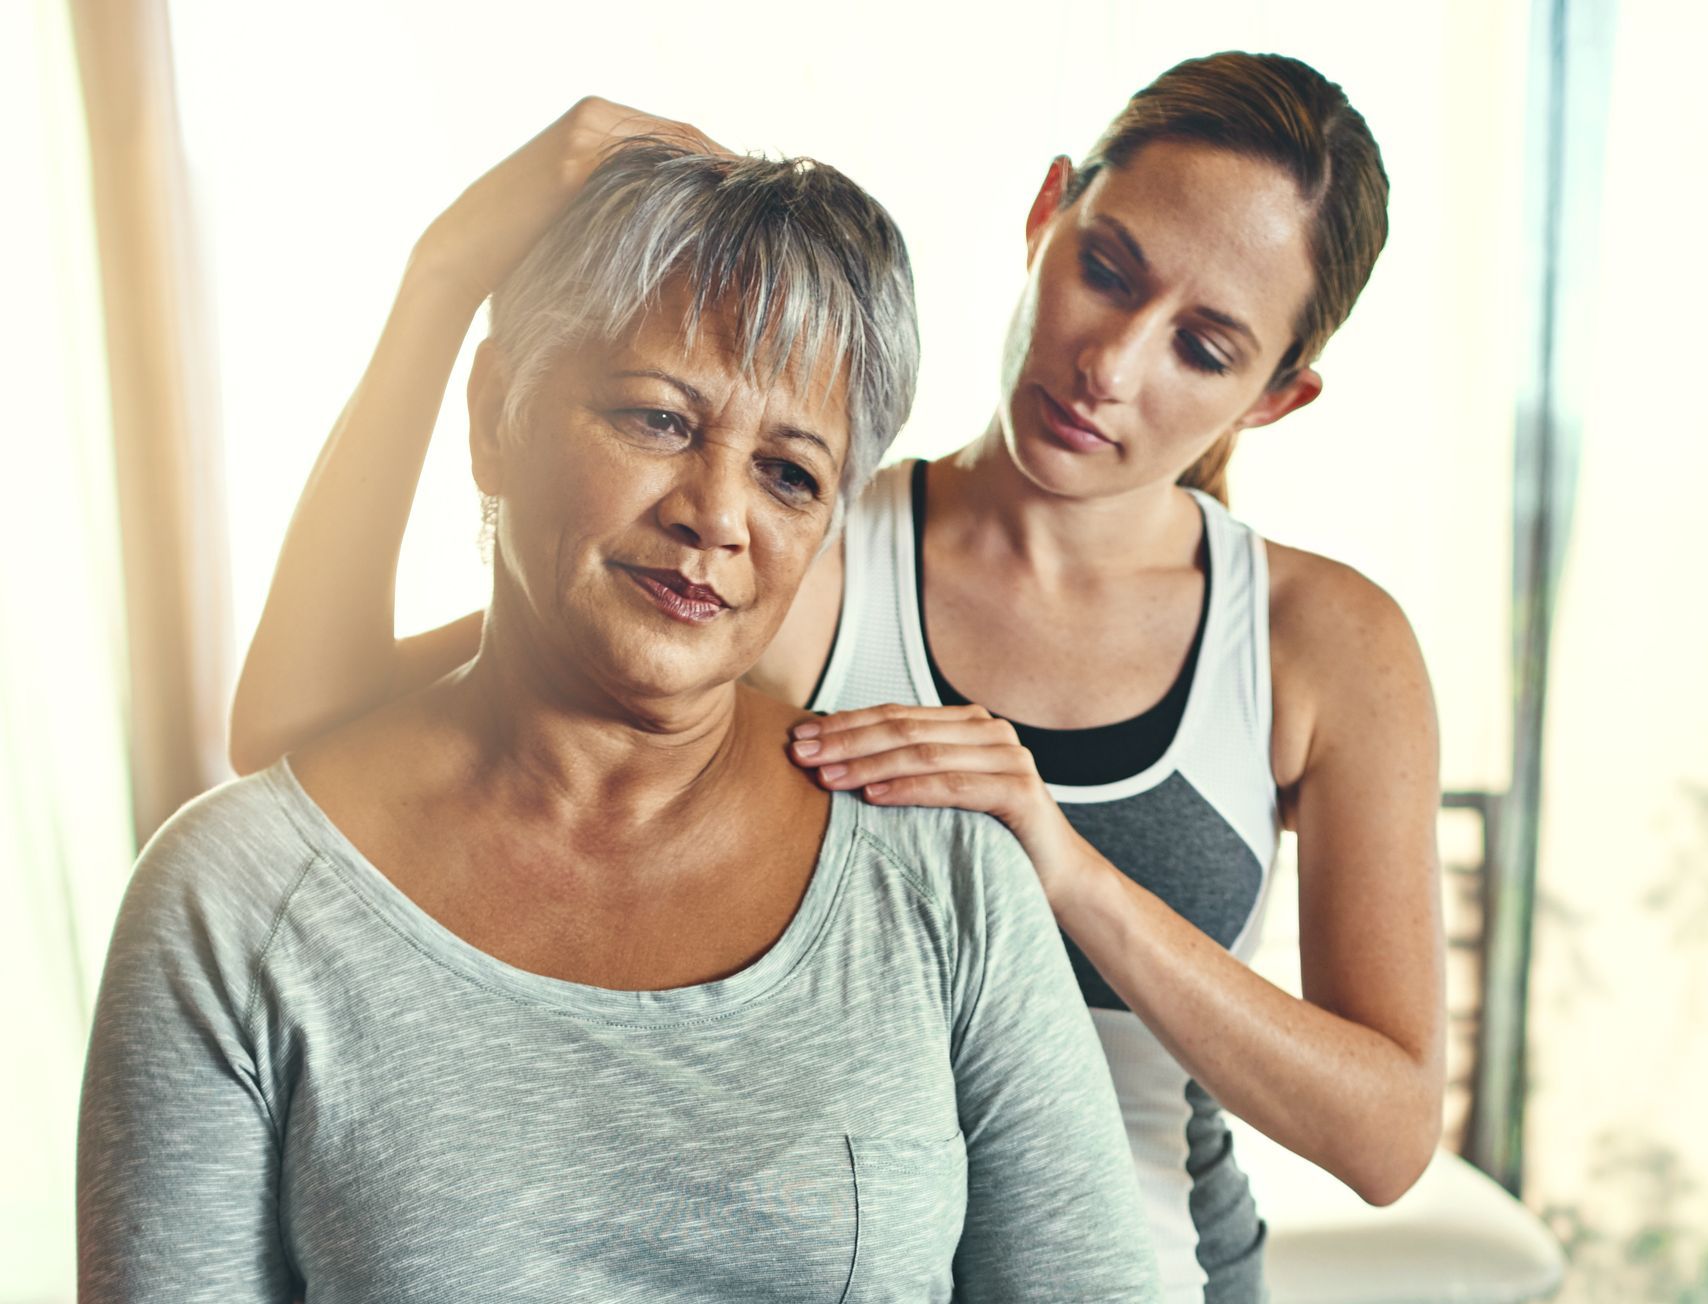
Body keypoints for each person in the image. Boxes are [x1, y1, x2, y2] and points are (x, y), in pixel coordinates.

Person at [233, 51, 1445, 1304]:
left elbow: (1390, 1133)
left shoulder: (1320, 643)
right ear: (1046, 216)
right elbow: (301, 728)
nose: (1113, 363)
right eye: (1106, 269)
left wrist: (1064, 870)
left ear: (1278, 395)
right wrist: (440, 281)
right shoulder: (801, 553)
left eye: (1202, 345)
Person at [78, 140, 1160, 1303]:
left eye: (791, 475)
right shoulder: (232, 901)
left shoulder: (944, 878)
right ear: (497, 413)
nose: (716, 514)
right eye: (657, 419)